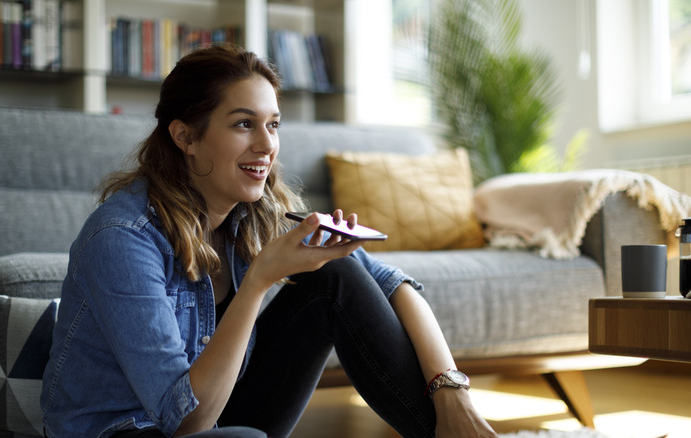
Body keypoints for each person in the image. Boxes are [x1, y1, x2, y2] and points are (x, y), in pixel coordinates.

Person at [40, 44, 498, 438]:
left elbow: (392, 285)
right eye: (243, 124)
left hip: (218, 418)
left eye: (273, 124)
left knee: (335, 273)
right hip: (131, 431)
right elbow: (183, 423)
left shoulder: (256, 214)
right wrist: (259, 279)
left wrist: (451, 391)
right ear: (185, 137)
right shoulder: (121, 239)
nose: (266, 145)